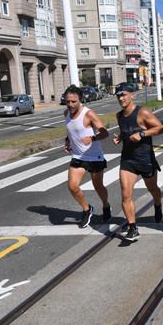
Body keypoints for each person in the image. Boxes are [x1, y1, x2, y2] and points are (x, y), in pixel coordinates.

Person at [112, 83, 163, 242]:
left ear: (131, 95)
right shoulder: (119, 116)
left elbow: (160, 128)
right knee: (126, 193)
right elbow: (125, 131)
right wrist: (120, 138)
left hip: (145, 159)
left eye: (124, 95)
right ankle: (133, 227)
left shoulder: (143, 113)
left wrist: (142, 134)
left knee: (153, 189)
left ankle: (157, 205)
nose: (121, 98)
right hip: (128, 160)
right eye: (118, 96)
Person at [63, 84, 111, 228]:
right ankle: (87, 209)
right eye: (68, 101)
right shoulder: (66, 113)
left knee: (98, 187)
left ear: (80, 100)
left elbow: (105, 133)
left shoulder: (88, 114)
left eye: (73, 102)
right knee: (72, 186)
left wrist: (93, 138)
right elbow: (71, 130)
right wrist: (67, 141)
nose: (70, 105)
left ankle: (106, 205)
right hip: (78, 156)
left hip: (94, 156)